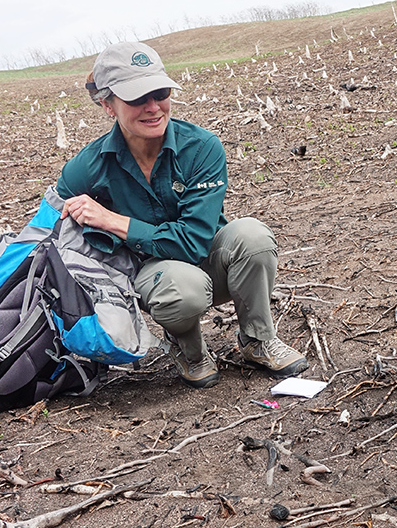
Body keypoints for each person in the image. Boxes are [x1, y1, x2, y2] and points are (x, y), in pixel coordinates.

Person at [56, 41, 308, 389]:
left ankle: (257, 339)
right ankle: (190, 352)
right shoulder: (89, 166)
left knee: (253, 236)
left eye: (160, 92)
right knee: (180, 287)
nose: (153, 107)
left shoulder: (201, 147)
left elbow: (192, 242)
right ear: (107, 104)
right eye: (136, 98)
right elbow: (50, 225)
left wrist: (113, 220)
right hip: (153, 279)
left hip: (206, 258)